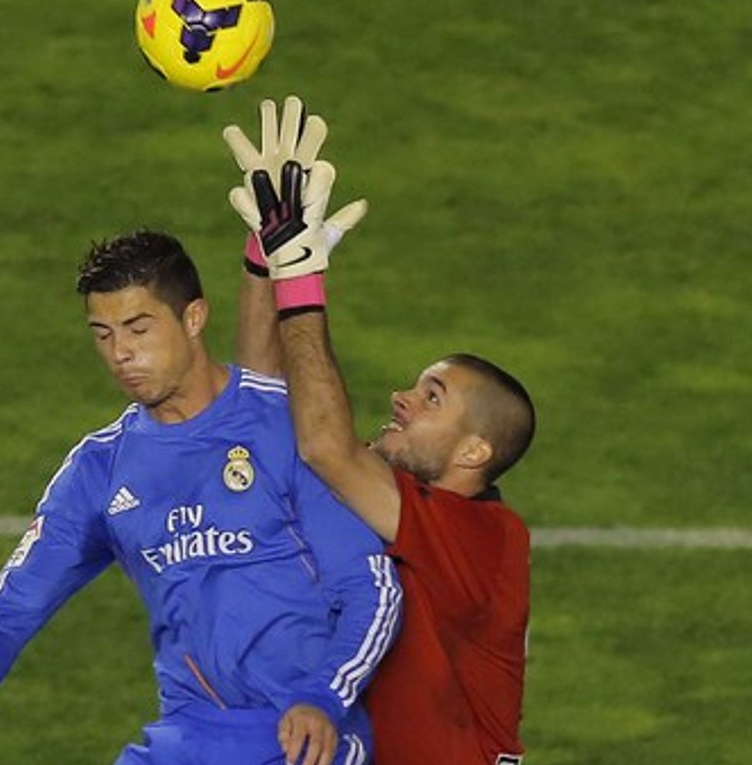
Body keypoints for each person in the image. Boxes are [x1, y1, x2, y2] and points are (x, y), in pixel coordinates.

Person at [0, 229, 401, 765]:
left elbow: (370, 587)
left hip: (304, 736)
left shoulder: (287, 425)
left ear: (193, 319)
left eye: (138, 328)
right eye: (102, 334)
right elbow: (19, 596)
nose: (121, 353)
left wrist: (324, 697)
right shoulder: (101, 468)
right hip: (188, 737)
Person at [223, 97, 536, 765]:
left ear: (474, 450)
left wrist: (302, 278)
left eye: (431, 397)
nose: (400, 398)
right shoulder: (392, 500)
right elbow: (258, 401)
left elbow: (323, 444)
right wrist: (267, 256)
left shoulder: (483, 538)